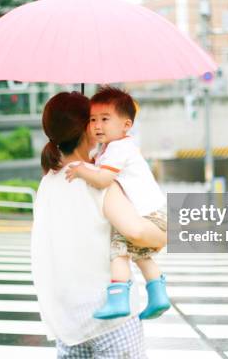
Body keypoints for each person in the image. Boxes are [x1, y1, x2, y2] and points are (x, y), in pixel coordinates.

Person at [31, 91, 167, 358]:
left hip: (68, 324)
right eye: (93, 120)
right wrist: (164, 233)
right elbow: (138, 232)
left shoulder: (46, 184)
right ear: (86, 129)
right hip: (111, 323)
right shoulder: (99, 182)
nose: (99, 126)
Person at [65, 86, 170, 321]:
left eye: (105, 119)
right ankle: (159, 295)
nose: (97, 126)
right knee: (141, 255)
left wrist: (82, 170)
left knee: (118, 252)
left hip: (147, 216)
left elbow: (103, 180)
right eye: (92, 120)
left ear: (126, 125)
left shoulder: (118, 148)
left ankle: (118, 299)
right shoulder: (114, 149)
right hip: (155, 213)